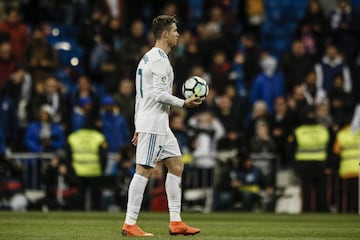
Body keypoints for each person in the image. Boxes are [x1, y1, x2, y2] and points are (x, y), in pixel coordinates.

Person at [121, 15, 202, 237]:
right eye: (175, 31)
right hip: (154, 123)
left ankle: (176, 221)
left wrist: (138, 124)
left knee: (176, 165)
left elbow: (141, 96)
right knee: (144, 170)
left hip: (157, 123)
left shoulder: (149, 57)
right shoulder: (159, 60)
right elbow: (157, 94)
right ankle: (129, 223)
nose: (178, 34)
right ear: (165, 34)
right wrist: (182, 102)